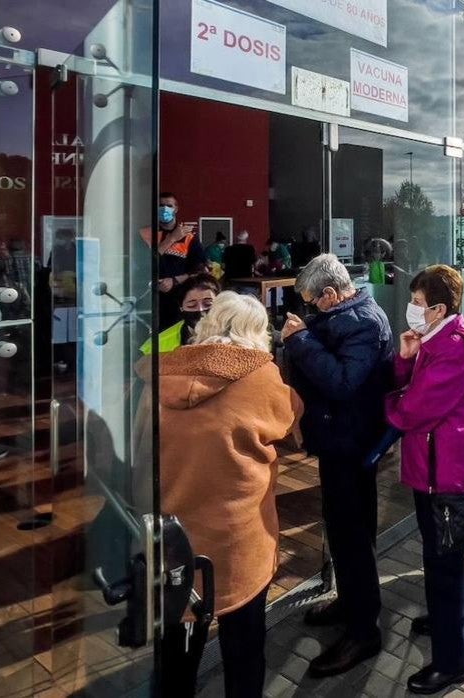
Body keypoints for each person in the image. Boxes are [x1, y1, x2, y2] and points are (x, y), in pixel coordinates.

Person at [140, 292, 303, 698]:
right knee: (244, 643)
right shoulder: (260, 374)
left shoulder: (160, 373)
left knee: (178, 644)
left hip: (174, 532)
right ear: (257, 331)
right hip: (238, 533)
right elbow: (290, 417)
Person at [384, 265, 464, 694]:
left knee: (445, 562)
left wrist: (386, 409)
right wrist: (404, 361)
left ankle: (454, 659)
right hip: (435, 467)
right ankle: (442, 620)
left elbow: (414, 409)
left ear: (438, 308)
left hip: (447, 474)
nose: (412, 309)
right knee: (439, 557)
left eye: (418, 303)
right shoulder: (436, 340)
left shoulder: (452, 347)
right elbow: (413, 388)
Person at [283, 254, 394, 677]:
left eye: (314, 302)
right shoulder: (349, 315)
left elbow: (343, 382)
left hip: (352, 446)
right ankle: (350, 601)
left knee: (352, 535)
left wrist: (301, 341)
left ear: (331, 293)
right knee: (344, 531)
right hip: (339, 443)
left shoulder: (365, 321)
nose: (311, 309)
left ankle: (364, 631)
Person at [146, 192, 207, 329]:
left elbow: (199, 270)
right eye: (161, 206)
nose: (165, 209)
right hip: (151, 299)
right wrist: (171, 239)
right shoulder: (147, 234)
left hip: (180, 299)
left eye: (169, 205)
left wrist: (174, 280)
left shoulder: (189, 237)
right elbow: (146, 262)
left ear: (176, 209)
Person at [141, 273, 220, 355]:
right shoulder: (155, 345)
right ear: (181, 308)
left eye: (208, 304)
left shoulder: (232, 336)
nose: (200, 310)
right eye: (192, 305)